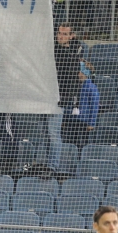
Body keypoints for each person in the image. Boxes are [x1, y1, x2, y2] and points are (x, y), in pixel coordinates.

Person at [43, 23, 85, 177]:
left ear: (71, 36)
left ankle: (53, 166)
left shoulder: (72, 55)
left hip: (58, 100)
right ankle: (47, 163)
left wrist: (65, 98)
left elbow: (72, 80)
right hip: (44, 97)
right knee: (45, 134)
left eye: (65, 34)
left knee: (53, 133)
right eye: (59, 33)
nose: (61, 36)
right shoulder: (52, 49)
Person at [62, 63, 100, 146]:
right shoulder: (73, 86)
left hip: (83, 121)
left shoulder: (91, 87)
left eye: (79, 72)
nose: (78, 74)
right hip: (71, 120)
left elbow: (94, 106)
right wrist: (64, 118)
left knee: (80, 143)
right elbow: (68, 103)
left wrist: (91, 123)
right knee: (69, 143)